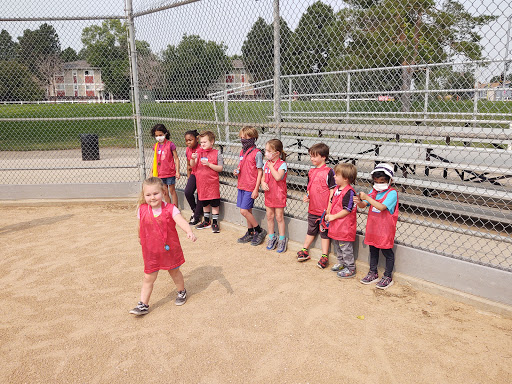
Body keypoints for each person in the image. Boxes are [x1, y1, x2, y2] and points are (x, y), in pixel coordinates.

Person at [130, 177, 197, 316]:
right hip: (151, 251)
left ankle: (181, 291)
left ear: (163, 192)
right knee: (148, 278)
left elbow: (181, 221)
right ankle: (143, 304)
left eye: (156, 193)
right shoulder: (142, 209)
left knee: (174, 272)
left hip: (169, 250)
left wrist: (189, 231)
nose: (152, 197)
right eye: (148, 195)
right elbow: (140, 226)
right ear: (144, 196)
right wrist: (139, 237)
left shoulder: (170, 209)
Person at [354, 163, 399, 290]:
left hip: (385, 229)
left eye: (382, 181)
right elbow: (364, 205)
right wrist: (359, 202)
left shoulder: (392, 193)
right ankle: (373, 272)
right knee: (373, 250)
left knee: (386, 252)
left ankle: (387, 276)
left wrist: (367, 197)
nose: (379, 184)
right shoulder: (373, 192)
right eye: (376, 181)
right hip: (373, 228)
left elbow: (381, 207)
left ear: (390, 180)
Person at [297, 143, 336, 267]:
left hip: (324, 209)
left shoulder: (329, 172)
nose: (312, 159)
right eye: (311, 156)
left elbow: (332, 190)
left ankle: (324, 255)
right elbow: (309, 187)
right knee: (311, 230)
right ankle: (304, 250)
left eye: (315, 156)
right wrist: (307, 196)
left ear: (324, 157)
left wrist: (329, 208)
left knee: (324, 233)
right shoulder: (311, 171)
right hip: (313, 208)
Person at [234, 126, 266, 246]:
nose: (243, 140)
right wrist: (237, 170)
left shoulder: (257, 153)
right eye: (241, 138)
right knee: (248, 210)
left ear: (252, 138)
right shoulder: (242, 152)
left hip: (250, 186)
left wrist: (256, 188)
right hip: (241, 184)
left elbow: (259, 171)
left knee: (243, 211)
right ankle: (250, 231)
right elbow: (241, 165)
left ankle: (259, 230)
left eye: (245, 137)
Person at [325, 163, 358, 278]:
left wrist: (333, 217)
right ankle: (341, 262)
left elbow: (347, 210)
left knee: (345, 247)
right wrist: (328, 213)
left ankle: (350, 267)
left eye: (337, 175)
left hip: (344, 226)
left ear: (345, 178)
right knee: (338, 245)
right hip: (336, 226)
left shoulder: (349, 192)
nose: (334, 177)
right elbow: (331, 202)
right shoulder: (336, 189)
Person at [190, 131, 223, 233]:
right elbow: (193, 165)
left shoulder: (217, 153)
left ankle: (215, 222)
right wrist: (192, 158)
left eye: (205, 142)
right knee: (204, 203)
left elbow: (220, 168)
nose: (202, 144)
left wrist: (209, 164)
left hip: (212, 183)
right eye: (201, 142)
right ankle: (207, 221)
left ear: (212, 142)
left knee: (214, 203)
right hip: (202, 183)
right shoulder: (199, 153)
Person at [261, 139, 288, 253]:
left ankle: (282, 239)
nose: (266, 153)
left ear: (277, 153)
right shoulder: (266, 164)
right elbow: (263, 176)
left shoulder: (282, 164)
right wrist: (262, 182)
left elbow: (278, 177)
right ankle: (271, 237)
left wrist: (271, 166)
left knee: (279, 217)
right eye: (266, 150)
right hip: (269, 194)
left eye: (268, 151)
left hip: (278, 194)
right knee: (269, 216)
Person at [151, 124, 180, 206]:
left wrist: (177, 171)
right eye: (156, 135)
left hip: (170, 172)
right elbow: (155, 160)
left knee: (172, 191)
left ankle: (175, 209)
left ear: (165, 134)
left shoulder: (170, 144)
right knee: (165, 192)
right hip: (161, 173)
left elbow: (176, 158)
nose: (158, 137)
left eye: (160, 135)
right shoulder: (156, 146)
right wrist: (151, 171)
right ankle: (169, 208)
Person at [184, 129, 203, 225]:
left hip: (202, 174)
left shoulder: (201, 149)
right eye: (187, 140)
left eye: (190, 140)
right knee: (188, 192)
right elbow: (188, 165)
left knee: (200, 194)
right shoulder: (188, 150)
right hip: (194, 174)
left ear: (196, 139)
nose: (188, 142)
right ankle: (195, 210)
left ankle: (196, 217)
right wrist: (188, 176)